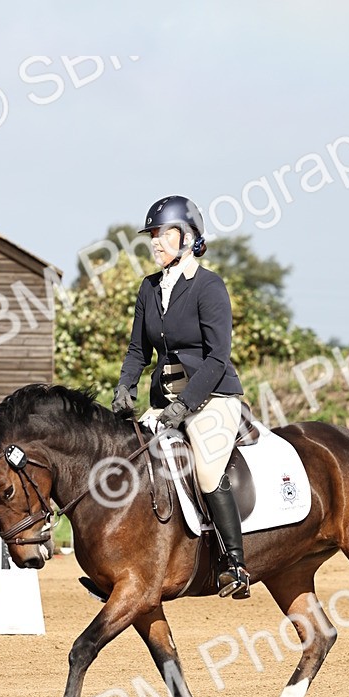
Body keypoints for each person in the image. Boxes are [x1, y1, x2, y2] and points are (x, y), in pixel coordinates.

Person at [111, 195, 250, 599]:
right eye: (152, 235)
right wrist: (125, 386)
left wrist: (185, 405)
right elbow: (138, 350)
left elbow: (217, 356)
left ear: (187, 237)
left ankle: (235, 565)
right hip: (165, 402)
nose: (154, 242)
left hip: (213, 398)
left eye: (162, 233)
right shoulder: (149, 288)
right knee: (129, 458)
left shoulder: (209, 286)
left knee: (206, 470)